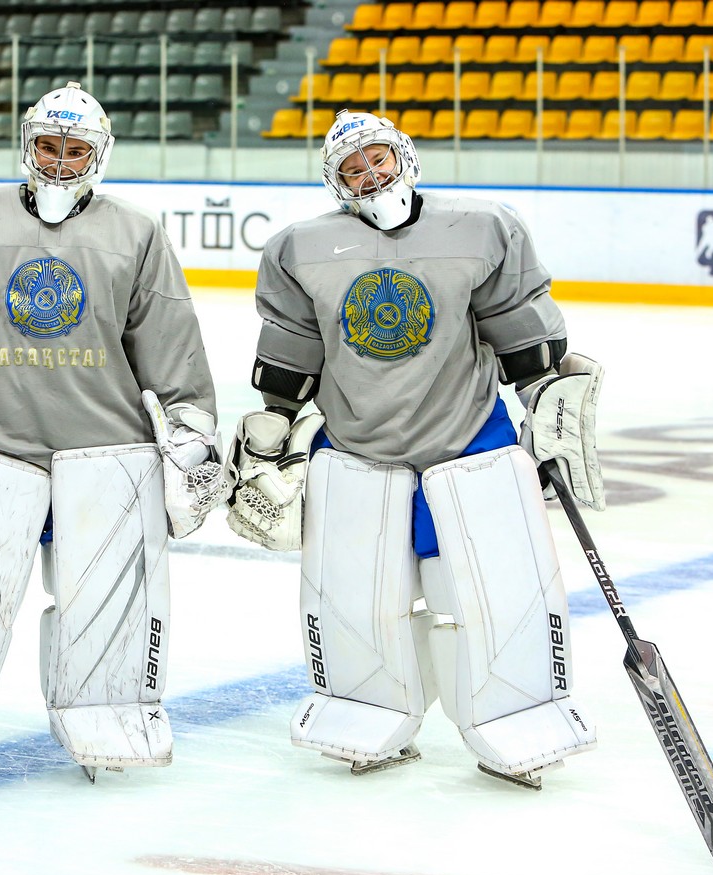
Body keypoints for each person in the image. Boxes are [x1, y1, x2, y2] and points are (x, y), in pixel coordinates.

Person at [0, 82, 226, 779]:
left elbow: (170, 338)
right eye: (48, 146)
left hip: (109, 453)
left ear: (98, 155)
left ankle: (107, 717)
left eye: (74, 149)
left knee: (106, 608)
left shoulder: (137, 233)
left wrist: (188, 430)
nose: (59, 161)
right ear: (27, 146)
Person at [226, 109, 605, 789]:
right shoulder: (299, 249)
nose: (370, 175)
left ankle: (518, 713)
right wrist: (274, 423)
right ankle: (367, 709)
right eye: (353, 169)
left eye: (378, 158)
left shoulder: (482, 229)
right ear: (337, 183)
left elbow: (518, 326)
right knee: (358, 600)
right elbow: (293, 346)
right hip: (357, 445)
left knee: (491, 589)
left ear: (404, 156)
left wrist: (544, 401)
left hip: (468, 435)